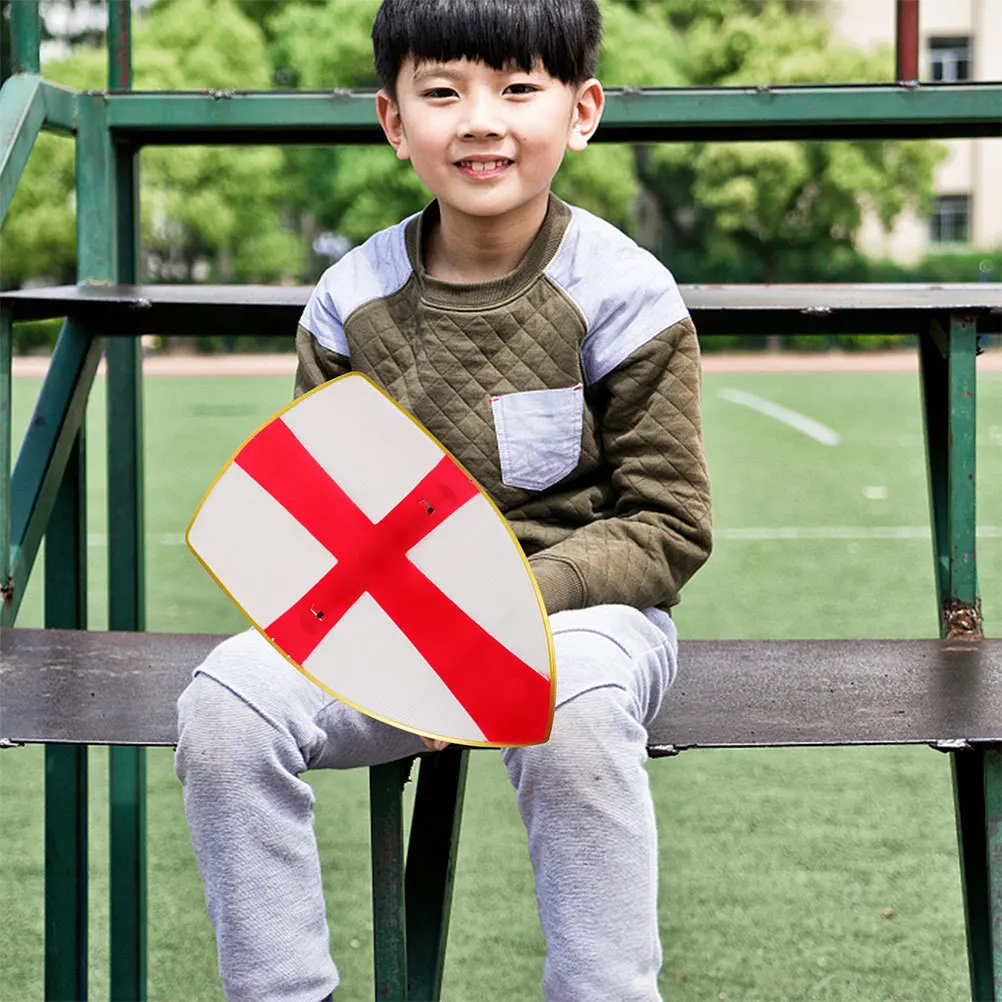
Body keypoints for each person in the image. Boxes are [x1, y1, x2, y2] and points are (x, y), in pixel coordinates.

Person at [175, 1, 712, 999]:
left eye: (518, 88)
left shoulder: (626, 290)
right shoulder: (350, 298)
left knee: (582, 706)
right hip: (384, 625)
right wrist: (412, 656)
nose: (480, 119)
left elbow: (668, 527)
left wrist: (498, 613)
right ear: (393, 120)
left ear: (582, 109)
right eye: (442, 91)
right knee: (227, 703)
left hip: (585, 620)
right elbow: (315, 516)